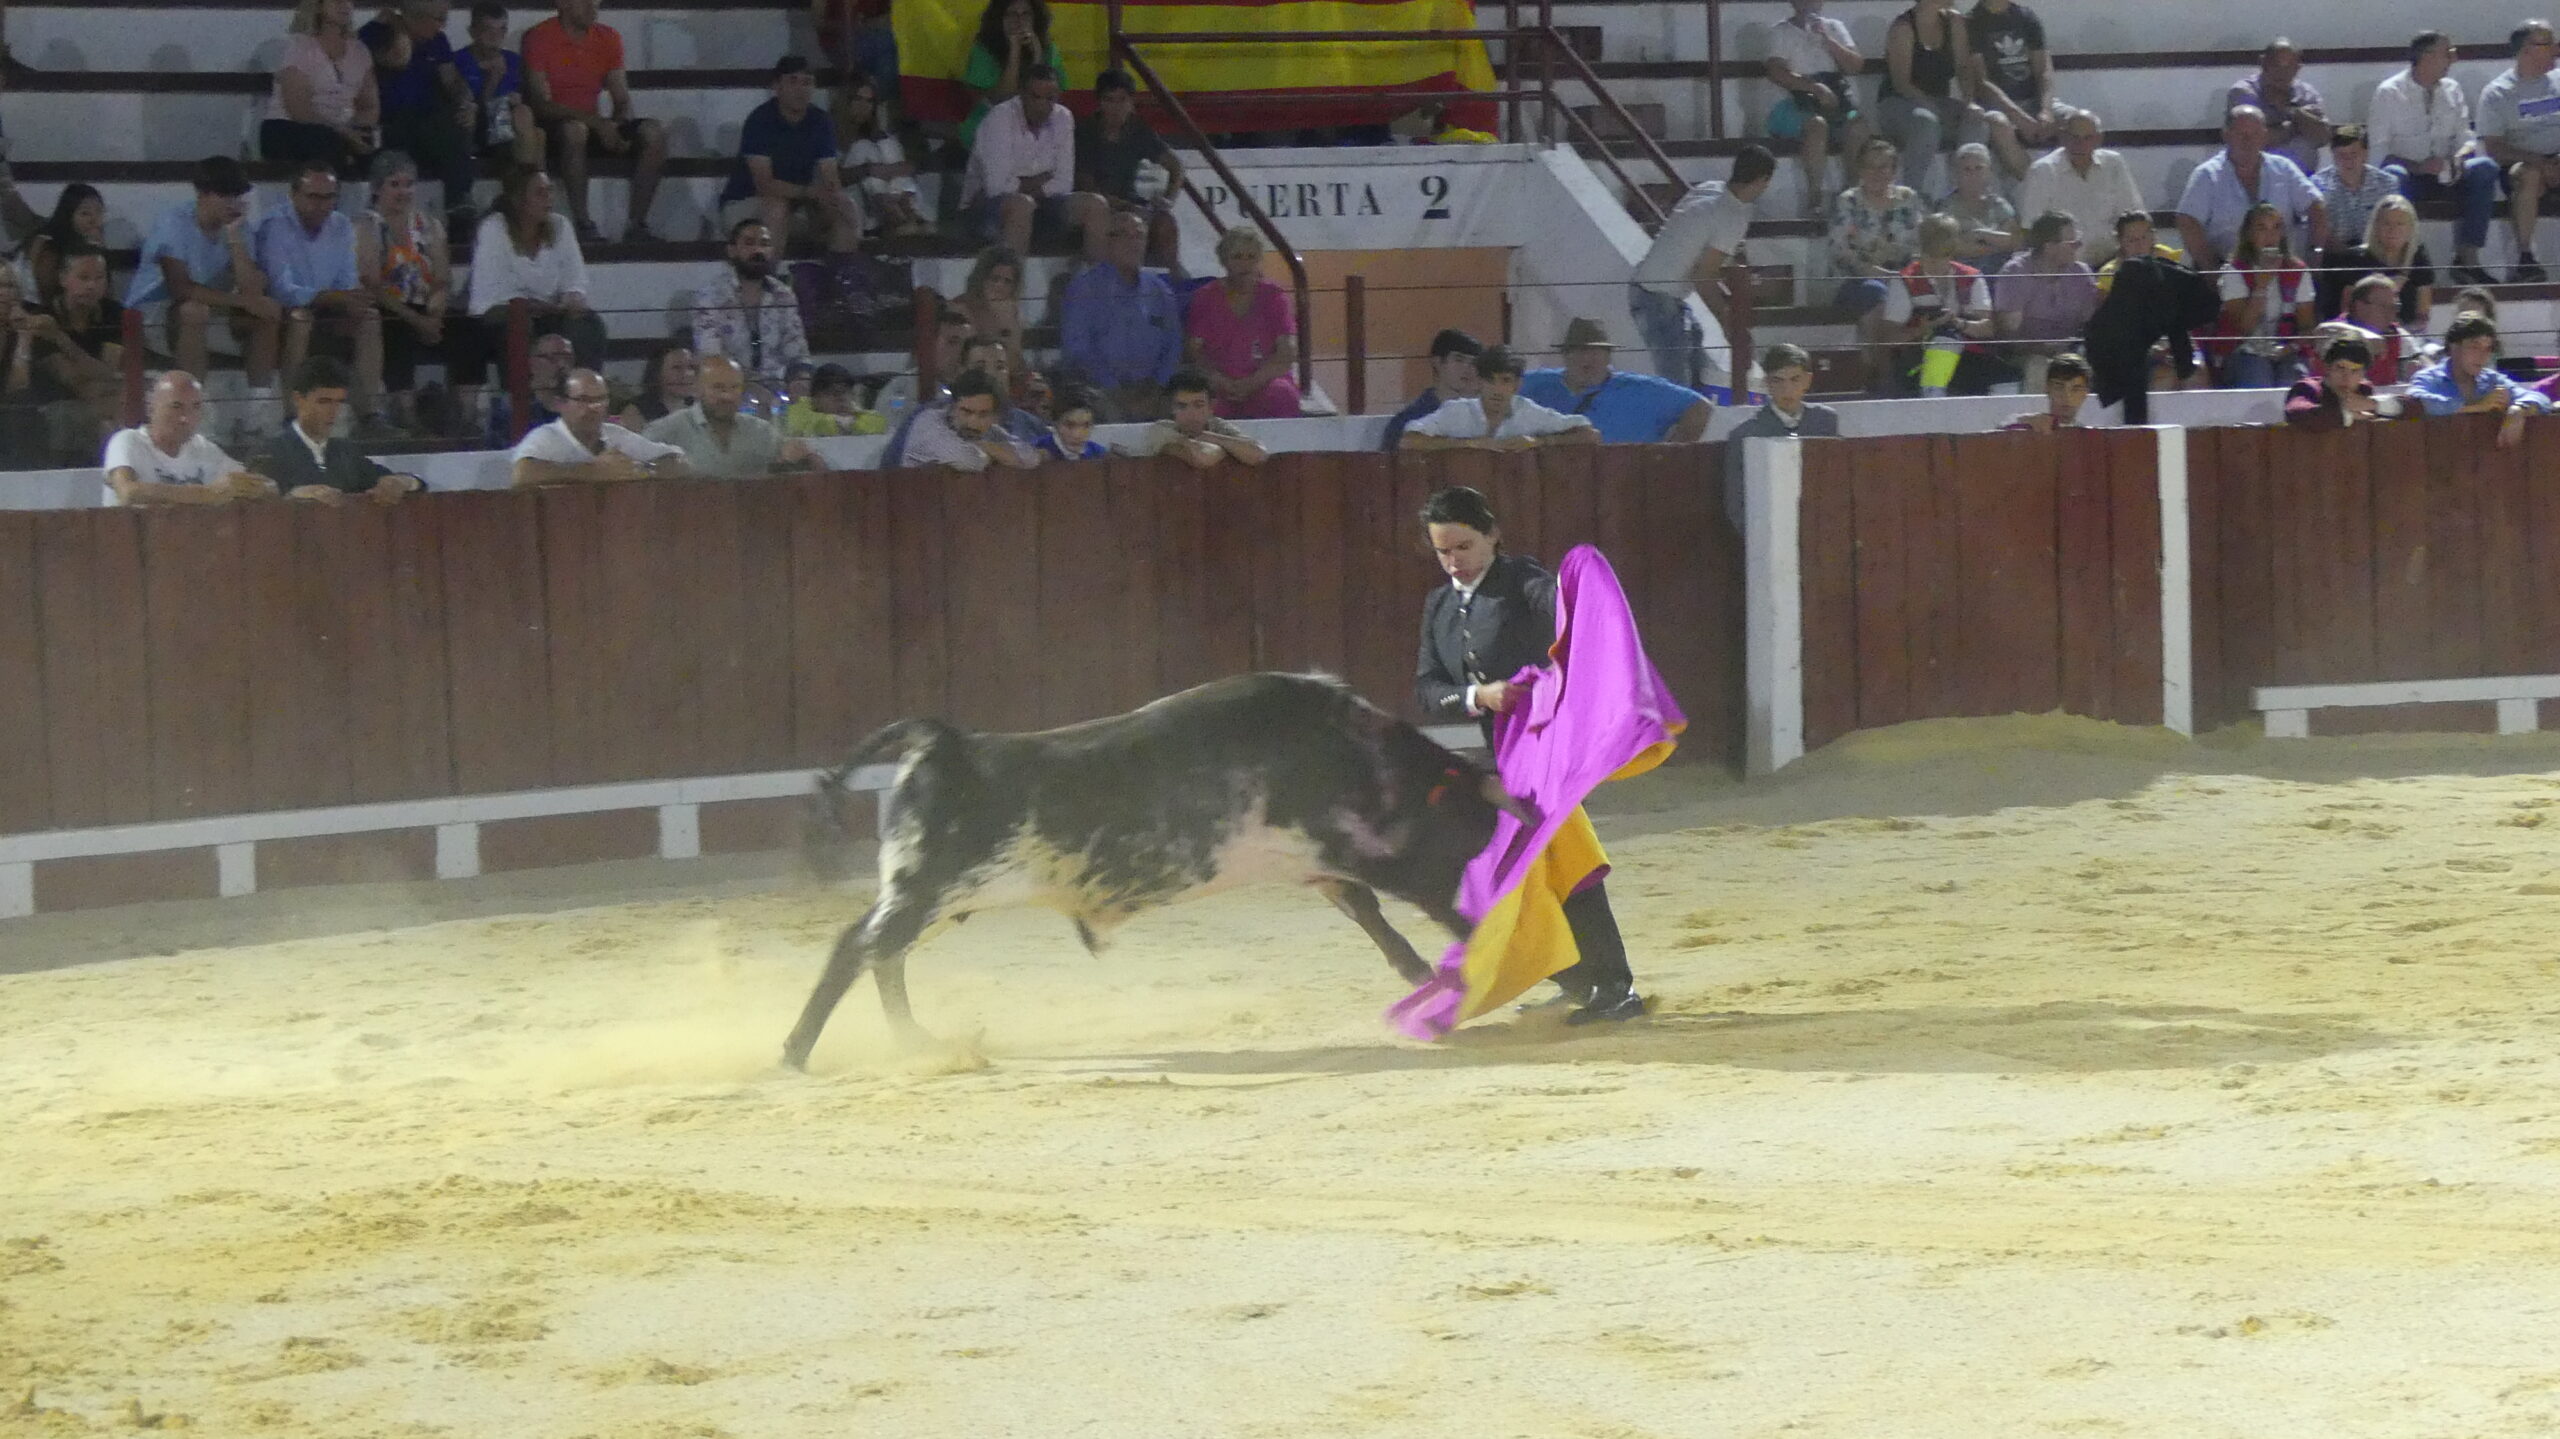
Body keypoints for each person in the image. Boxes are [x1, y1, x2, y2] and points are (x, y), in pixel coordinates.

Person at [1413, 485, 1645, 1026]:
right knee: (1512, 875)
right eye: (1443, 551)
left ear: (1493, 535)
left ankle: (1614, 986)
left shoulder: (1522, 581)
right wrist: (1478, 695)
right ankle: (1580, 980)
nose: (1454, 561)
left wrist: (1579, 601)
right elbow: (1426, 688)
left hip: (1547, 754)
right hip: (1502, 764)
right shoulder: (1439, 605)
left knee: (1564, 863)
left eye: (1464, 547)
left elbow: (1566, 609)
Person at [126, 156, 286, 396]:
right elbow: (181, 289)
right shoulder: (174, 223)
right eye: (224, 195)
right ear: (202, 194)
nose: (232, 203)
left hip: (214, 307)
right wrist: (243, 301)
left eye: (237, 196)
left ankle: (260, 403)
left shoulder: (239, 226)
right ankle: (193, 401)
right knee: (194, 311)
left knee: (267, 311)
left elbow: (251, 290)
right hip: (154, 314)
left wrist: (234, 236)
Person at [1628, 143, 1774, 390]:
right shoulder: (1731, 216)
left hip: (1652, 288)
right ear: (1762, 180)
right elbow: (1704, 277)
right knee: (1677, 388)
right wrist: (1728, 323)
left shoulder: (1709, 188)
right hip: (1659, 299)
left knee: (1695, 377)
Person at [522, 0, 667, 240]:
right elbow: (540, 104)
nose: (593, 7)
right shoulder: (539, 37)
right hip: (557, 128)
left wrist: (617, 126)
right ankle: (583, 223)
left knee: (654, 132)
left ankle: (637, 224)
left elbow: (621, 99)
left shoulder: (608, 37)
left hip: (593, 125)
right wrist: (597, 123)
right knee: (574, 131)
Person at [252, 160, 384, 423]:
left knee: (370, 318)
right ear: (293, 195)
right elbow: (282, 290)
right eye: (313, 196)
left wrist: (349, 301)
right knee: (301, 319)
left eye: (329, 197)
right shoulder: (275, 226)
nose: (321, 204)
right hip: (283, 313)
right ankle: (293, 417)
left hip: (330, 307)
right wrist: (329, 297)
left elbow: (347, 280)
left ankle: (369, 416)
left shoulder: (342, 225)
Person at [2370, 31, 2501, 287]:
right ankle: (2401, 261)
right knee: (2393, 176)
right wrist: (2418, 167)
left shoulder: (2452, 89)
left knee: (2484, 167)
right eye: (2448, 53)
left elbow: (2466, 138)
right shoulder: (2389, 93)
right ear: (2427, 56)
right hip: (2412, 175)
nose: (2454, 58)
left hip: (2449, 171)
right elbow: (2379, 152)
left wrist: (2459, 158)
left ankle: (2468, 258)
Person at [463, 168, 604, 385]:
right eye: (540, 193)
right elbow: (493, 291)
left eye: (550, 191)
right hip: (502, 314)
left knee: (588, 324)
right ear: (519, 199)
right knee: (517, 325)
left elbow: (574, 278)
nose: (549, 198)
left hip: (551, 312)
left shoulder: (561, 226)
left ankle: (582, 391)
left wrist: (573, 297)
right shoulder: (494, 228)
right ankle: (522, 398)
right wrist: (536, 306)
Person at [722, 55, 863, 268]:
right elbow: (765, 185)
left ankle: (842, 281)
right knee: (777, 207)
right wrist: (810, 192)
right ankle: (767, 282)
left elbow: (830, 178)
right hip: (745, 205)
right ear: (777, 86)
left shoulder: (820, 121)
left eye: (807, 82)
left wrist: (832, 201)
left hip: (796, 207)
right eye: (793, 81)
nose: (800, 89)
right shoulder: (760, 120)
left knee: (845, 207)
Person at [965, 65, 1107, 263]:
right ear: (1022, 94)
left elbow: (1064, 183)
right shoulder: (999, 117)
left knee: (1096, 204)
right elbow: (996, 187)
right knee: (1022, 205)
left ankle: (1097, 280)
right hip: (985, 207)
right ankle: (1012, 280)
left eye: (1050, 98)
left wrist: (1024, 184)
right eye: (1035, 97)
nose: (1042, 106)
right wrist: (1041, 181)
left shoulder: (1063, 117)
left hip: (1043, 205)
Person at [357, 148, 451, 433]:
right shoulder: (366, 226)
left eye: (409, 184)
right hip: (390, 305)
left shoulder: (429, 225)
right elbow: (372, 284)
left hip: (425, 306)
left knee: (468, 328)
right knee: (395, 327)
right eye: (395, 184)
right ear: (377, 188)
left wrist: (434, 314)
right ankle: (405, 412)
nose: (404, 192)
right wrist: (419, 321)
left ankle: (464, 411)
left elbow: (442, 279)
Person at [1059, 210, 1182, 421]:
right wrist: (1115, 390)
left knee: (1182, 412)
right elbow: (1078, 351)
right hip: (1100, 388)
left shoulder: (1159, 290)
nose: (1132, 242)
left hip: (1153, 390)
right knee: (1107, 412)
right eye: (1123, 234)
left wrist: (1157, 389)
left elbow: (1173, 345)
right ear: (1108, 241)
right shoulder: (1084, 289)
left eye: (1139, 235)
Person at [2175, 105, 2327, 272]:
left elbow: (2316, 207)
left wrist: (2315, 257)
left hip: (2282, 271)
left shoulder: (2284, 168)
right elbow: (2187, 221)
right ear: (2226, 135)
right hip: (2226, 271)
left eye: (2255, 134)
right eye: (2241, 134)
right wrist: (2212, 271)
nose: (2248, 141)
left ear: (2264, 136)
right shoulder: (2207, 175)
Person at [255, 353, 426, 502]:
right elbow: (257, 497)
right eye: (324, 402)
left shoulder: (345, 452)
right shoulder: (270, 451)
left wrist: (403, 482)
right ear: (298, 399)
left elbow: (410, 482)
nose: (333, 411)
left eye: (339, 402)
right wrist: (294, 495)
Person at [100, 371, 278, 507]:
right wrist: (207, 494)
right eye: (176, 407)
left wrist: (260, 488)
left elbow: (262, 486)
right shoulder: (127, 441)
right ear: (151, 408)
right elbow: (128, 493)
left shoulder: (203, 448)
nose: (186, 418)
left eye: (195, 407)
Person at [1520, 317, 1713, 442]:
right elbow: (1502, 394)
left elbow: (1700, 407)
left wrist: (1670, 454)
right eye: (1579, 351)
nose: (1587, 358)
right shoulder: (1536, 384)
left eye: (1595, 351)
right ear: (1565, 355)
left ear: (1608, 356)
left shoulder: (1641, 390)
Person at [1829, 136, 1926, 384]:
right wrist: (1873, 271)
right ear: (1860, 170)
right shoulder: (1848, 201)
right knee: (1876, 292)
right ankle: (1882, 377)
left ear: (1894, 170)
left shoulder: (1908, 199)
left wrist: (1905, 275)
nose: (1877, 172)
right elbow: (1840, 251)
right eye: (1870, 166)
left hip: (1904, 279)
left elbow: (1922, 244)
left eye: (1884, 166)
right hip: (1858, 281)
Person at [1881, 212, 2011, 396]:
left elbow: (1988, 328)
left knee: (2008, 377)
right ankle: (1932, 397)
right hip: (1918, 361)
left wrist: (1959, 323)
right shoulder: (1905, 280)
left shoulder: (1971, 277)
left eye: (1943, 254)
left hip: (1969, 358)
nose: (1936, 261)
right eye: (1930, 255)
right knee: (1944, 338)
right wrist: (1923, 328)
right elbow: (1889, 337)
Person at [1762, 0, 1870, 218]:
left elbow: (1855, 66)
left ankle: (1852, 194)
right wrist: (1813, 88)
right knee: (1817, 125)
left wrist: (1829, 40)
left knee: (1857, 123)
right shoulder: (1781, 31)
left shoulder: (1834, 27)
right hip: (1795, 104)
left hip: (1836, 102)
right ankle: (1814, 198)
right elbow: (1776, 71)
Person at [691, 218, 811, 410]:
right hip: (727, 390)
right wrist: (748, 385)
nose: (758, 250)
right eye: (749, 243)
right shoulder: (711, 295)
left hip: (779, 392)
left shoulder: (783, 294)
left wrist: (800, 380)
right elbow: (711, 355)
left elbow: (797, 348)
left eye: (764, 244)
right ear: (732, 250)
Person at [1185, 225, 1302, 419]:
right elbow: (1194, 352)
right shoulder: (1205, 297)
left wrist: (1252, 383)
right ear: (1224, 261)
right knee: (1204, 402)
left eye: (1251, 257)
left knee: (1282, 395)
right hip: (1219, 384)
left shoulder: (1273, 296)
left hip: (1263, 382)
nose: (1245, 264)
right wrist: (1219, 380)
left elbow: (1286, 352)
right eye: (1237, 257)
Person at [1718, 342, 1840, 527]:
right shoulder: (1745, 434)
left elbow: (1836, 483)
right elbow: (1736, 504)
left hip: (1822, 527)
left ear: (1807, 380)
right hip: (1769, 527)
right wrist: (1761, 534)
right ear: (1766, 383)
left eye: (1795, 379)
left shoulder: (1824, 421)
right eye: (1777, 380)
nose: (1786, 389)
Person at [1876, 0, 1992, 192]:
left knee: (1977, 119)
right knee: (1926, 123)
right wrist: (1931, 107)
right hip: (1898, 103)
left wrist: (1970, 101)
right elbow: (1901, 83)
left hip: (1938, 103)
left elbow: (1963, 67)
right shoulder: (1903, 27)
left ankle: (1967, 191)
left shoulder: (1954, 22)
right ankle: (1912, 194)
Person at [2475, 21, 2560, 283]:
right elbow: (2493, 147)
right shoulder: (2498, 93)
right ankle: (2525, 257)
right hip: (2522, 165)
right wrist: (2540, 162)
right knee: (2529, 175)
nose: (2556, 49)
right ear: (2525, 50)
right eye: (2548, 44)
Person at [24, 242, 124, 462]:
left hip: (104, 400)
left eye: (99, 278)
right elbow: (72, 379)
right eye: (84, 278)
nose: (91, 286)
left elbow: (107, 371)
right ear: (63, 278)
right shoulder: (44, 318)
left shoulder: (114, 313)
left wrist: (60, 338)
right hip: (56, 404)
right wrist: (106, 383)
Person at [643, 354, 819, 477]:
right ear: (697, 389)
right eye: (718, 388)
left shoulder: (761, 431)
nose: (727, 396)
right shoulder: (667, 429)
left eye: (734, 388)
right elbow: (635, 470)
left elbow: (810, 466)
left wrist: (804, 456)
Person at [1077, 68, 1185, 270]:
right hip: (1094, 210)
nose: (1116, 108)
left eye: (1122, 100)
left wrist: (1168, 200)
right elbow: (1088, 188)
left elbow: (1176, 166)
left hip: (1131, 206)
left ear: (1131, 102)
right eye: (1109, 100)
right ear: (1099, 102)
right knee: (1125, 226)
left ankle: (1169, 280)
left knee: (1165, 222)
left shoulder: (1137, 130)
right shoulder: (1085, 133)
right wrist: (1130, 208)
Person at [1398, 345, 1599, 452]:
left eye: (1505, 381)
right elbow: (1409, 441)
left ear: (1517, 385)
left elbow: (1590, 435)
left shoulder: (1528, 412)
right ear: (1479, 382)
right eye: (1490, 380)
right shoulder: (1457, 411)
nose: (1497, 389)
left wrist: (1539, 441)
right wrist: (1470, 445)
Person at [510, 365, 686, 485]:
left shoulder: (615, 435)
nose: (594, 408)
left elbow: (681, 464)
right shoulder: (546, 437)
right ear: (560, 403)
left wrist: (641, 469)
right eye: (583, 400)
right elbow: (522, 475)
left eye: (600, 400)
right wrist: (594, 471)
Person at [2017, 109, 2149, 266]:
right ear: (2062, 137)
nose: (2080, 144)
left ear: (2099, 139)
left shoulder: (2114, 164)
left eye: (2088, 138)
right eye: (2074, 137)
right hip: (2064, 267)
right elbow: (2032, 230)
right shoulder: (2042, 171)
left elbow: (2134, 216)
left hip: (2115, 263)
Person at [266, 0, 381, 176]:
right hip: (290, 127)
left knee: (378, 148)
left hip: (341, 128)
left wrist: (356, 129)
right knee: (326, 142)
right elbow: (299, 110)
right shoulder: (299, 46)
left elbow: (369, 106)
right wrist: (341, 131)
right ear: (319, 6)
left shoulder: (359, 51)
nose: (345, 5)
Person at [2210, 201, 2315, 389]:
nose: (2270, 235)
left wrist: (2288, 349)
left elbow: (2306, 327)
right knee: (2258, 378)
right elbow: (2243, 328)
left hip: (2289, 350)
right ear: (2249, 234)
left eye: (2276, 228)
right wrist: (2261, 286)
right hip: (2243, 350)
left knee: (2293, 382)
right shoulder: (2235, 271)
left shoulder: (2298, 270)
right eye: (2261, 228)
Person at [2406, 314, 2551, 448]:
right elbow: (2416, 401)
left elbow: (2541, 399)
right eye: (2474, 347)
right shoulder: (2429, 377)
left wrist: (2518, 409)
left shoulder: (2492, 380)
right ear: (2453, 346)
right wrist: (2477, 406)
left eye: (2488, 349)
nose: (2482, 356)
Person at [1994, 211, 2098, 393]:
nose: (2078, 247)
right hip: (2024, 354)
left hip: (2070, 349)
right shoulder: (2016, 273)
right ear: (2049, 247)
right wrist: (2043, 348)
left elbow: (2092, 322)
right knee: (2039, 367)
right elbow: (2008, 332)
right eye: (2072, 243)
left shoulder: (2081, 273)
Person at [452, 0, 545, 174]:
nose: (495, 38)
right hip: (477, 130)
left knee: (533, 127)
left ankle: (531, 182)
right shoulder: (458, 62)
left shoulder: (513, 61)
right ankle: (530, 182)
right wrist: (494, 79)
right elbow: (467, 110)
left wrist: (518, 100)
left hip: (509, 128)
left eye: (501, 30)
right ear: (473, 32)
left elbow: (529, 101)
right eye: (488, 30)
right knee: (520, 121)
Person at [1966, 0, 2054, 180]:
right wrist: (2020, 118)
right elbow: (1981, 82)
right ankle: (2035, 185)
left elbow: (2043, 70)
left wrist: (2046, 110)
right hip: (1997, 105)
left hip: (2034, 101)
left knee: (2076, 121)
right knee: (1997, 124)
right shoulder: (1971, 22)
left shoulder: (2027, 17)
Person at [2317, 193, 2432, 328]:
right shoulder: (2356, 259)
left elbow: (2422, 316)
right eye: (2386, 223)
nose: (2392, 229)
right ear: (2376, 226)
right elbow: (2347, 312)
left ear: (2410, 229)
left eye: (2400, 224)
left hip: (2406, 332)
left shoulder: (2418, 259)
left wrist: (2404, 333)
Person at [836, 74, 929, 239]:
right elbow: (835, 177)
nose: (863, 106)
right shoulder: (831, 132)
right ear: (847, 101)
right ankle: (895, 210)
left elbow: (909, 167)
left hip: (886, 194)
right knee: (863, 147)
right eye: (858, 99)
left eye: (869, 101)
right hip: (853, 200)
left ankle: (904, 208)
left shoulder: (879, 137)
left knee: (888, 144)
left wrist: (883, 170)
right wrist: (869, 169)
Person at [895, 366, 1039, 470]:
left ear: (994, 416)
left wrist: (985, 446)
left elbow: (1030, 457)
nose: (973, 422)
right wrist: (997, 453)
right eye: (966, 412)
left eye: (983, 414)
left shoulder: (991, 433)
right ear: (952, 407)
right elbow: (968, 460)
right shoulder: (928, 422)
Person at [961, 0, 1060, 150]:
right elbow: (1001, 101)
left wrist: (1037, 55)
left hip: (1033, 132)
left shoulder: (1048, 49)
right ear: (1000, 18)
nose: (1019, 21)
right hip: (988, 130)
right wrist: (1015, 51)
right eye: (1012, 14)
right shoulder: (984, 49)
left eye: (1026, 14)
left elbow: (1045, 97)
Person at [2226, 38, 2330, 171]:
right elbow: (2252, 140)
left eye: (2288, 67)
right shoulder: (2243, 92)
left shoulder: (2307, 94)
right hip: (2256, 176)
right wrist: (2298, 126)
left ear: (2298, 68)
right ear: (2263, 63)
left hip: (2303, 178)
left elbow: (2322, 137)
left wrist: (2291, 111)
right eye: (2276, 65)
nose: (2282, 72)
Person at [1140, 366, 1269, 469]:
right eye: (1182, 406)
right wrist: (1228, 448)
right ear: (1172, 408)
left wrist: (1210, 437)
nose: (1190, 413)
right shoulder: (1162, 429)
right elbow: (1202, 457)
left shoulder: (1217, 425)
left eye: (1198, 405)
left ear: (1211, 407)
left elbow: (1259, 454)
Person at [2310, 126, 2400, 272]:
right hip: (2335, 258)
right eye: (2341, 155)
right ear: (2333, 156)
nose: (2348, 161)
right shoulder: (2318, 185)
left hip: (2377, 256)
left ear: (2365, 154)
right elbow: (2320, 232)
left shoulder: (2387, 183)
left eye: (2353, 154)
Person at [1380, 328, 1483, 451]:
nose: (1468, 369)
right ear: (1437, 362)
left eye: (1474, 363)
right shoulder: (1408, 420)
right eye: (1459, 360)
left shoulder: (1481, 414)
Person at [2284, 336, 2404, 429]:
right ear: (2327, 367)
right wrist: (2346, 416)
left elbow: (2410, 408)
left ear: (2363, 374)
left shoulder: (2364, 390)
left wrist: (2376, 405)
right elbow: (2296, 412)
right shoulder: (2307, 388)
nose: (2346, 377)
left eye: (2355, 371)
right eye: (2340, 368)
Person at [26, 182, 106, 306]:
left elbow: (104, 292)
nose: (94, 220)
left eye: (99, 212)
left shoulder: (95, 244)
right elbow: (47, 294)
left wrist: (95, 250)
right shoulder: (49, 246)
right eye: (85, 213)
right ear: (68, 215)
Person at [1939, 141, 2019, 265]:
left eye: (1979, 168)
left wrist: (1980, 234)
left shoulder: (1998, 204)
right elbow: (1952, 247)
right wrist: (1995, 243)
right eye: (1966, 169)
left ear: (1989, 172)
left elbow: (2013, 240)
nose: (1973, 174)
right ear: (1956, 174)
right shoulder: (1945, 207)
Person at [2328, 274, 2416, 384]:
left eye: (2394, 307)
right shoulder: (2332, 332)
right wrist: (2365, 337)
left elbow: (2421, 361)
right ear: (2360, 306)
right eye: (2383, 306)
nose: (2390, 313)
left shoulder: (2394, 332)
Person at [784, 362, 886, 437]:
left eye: (845, 392)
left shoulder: (864, 415)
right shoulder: (800, 412)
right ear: (815, 400)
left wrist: (849, 423)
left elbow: (878, 422)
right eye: (832, 393)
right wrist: (840, 423)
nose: (841, 398)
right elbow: (808, 423)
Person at [2000, 351, 2090, 431]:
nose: (2067, 396)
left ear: (2085, 393)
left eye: (2076, 389)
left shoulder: (2087, 437)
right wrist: (2026, 421)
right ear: (2047, 388)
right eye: (2059, 387)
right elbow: (2000, 431)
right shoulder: (2024, 424)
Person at [616, 341, 693, 429]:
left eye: (691, 367)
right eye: (676, 367)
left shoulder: (698, 407)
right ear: (657, 372)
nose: (686, 374)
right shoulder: (637, 411)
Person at [1039, 384, 1107, 460]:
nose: (1077, 435)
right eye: (1069, 425)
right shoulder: (1034, 452)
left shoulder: (1099, 454)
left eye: (1086, 426)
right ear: (1055, 424)